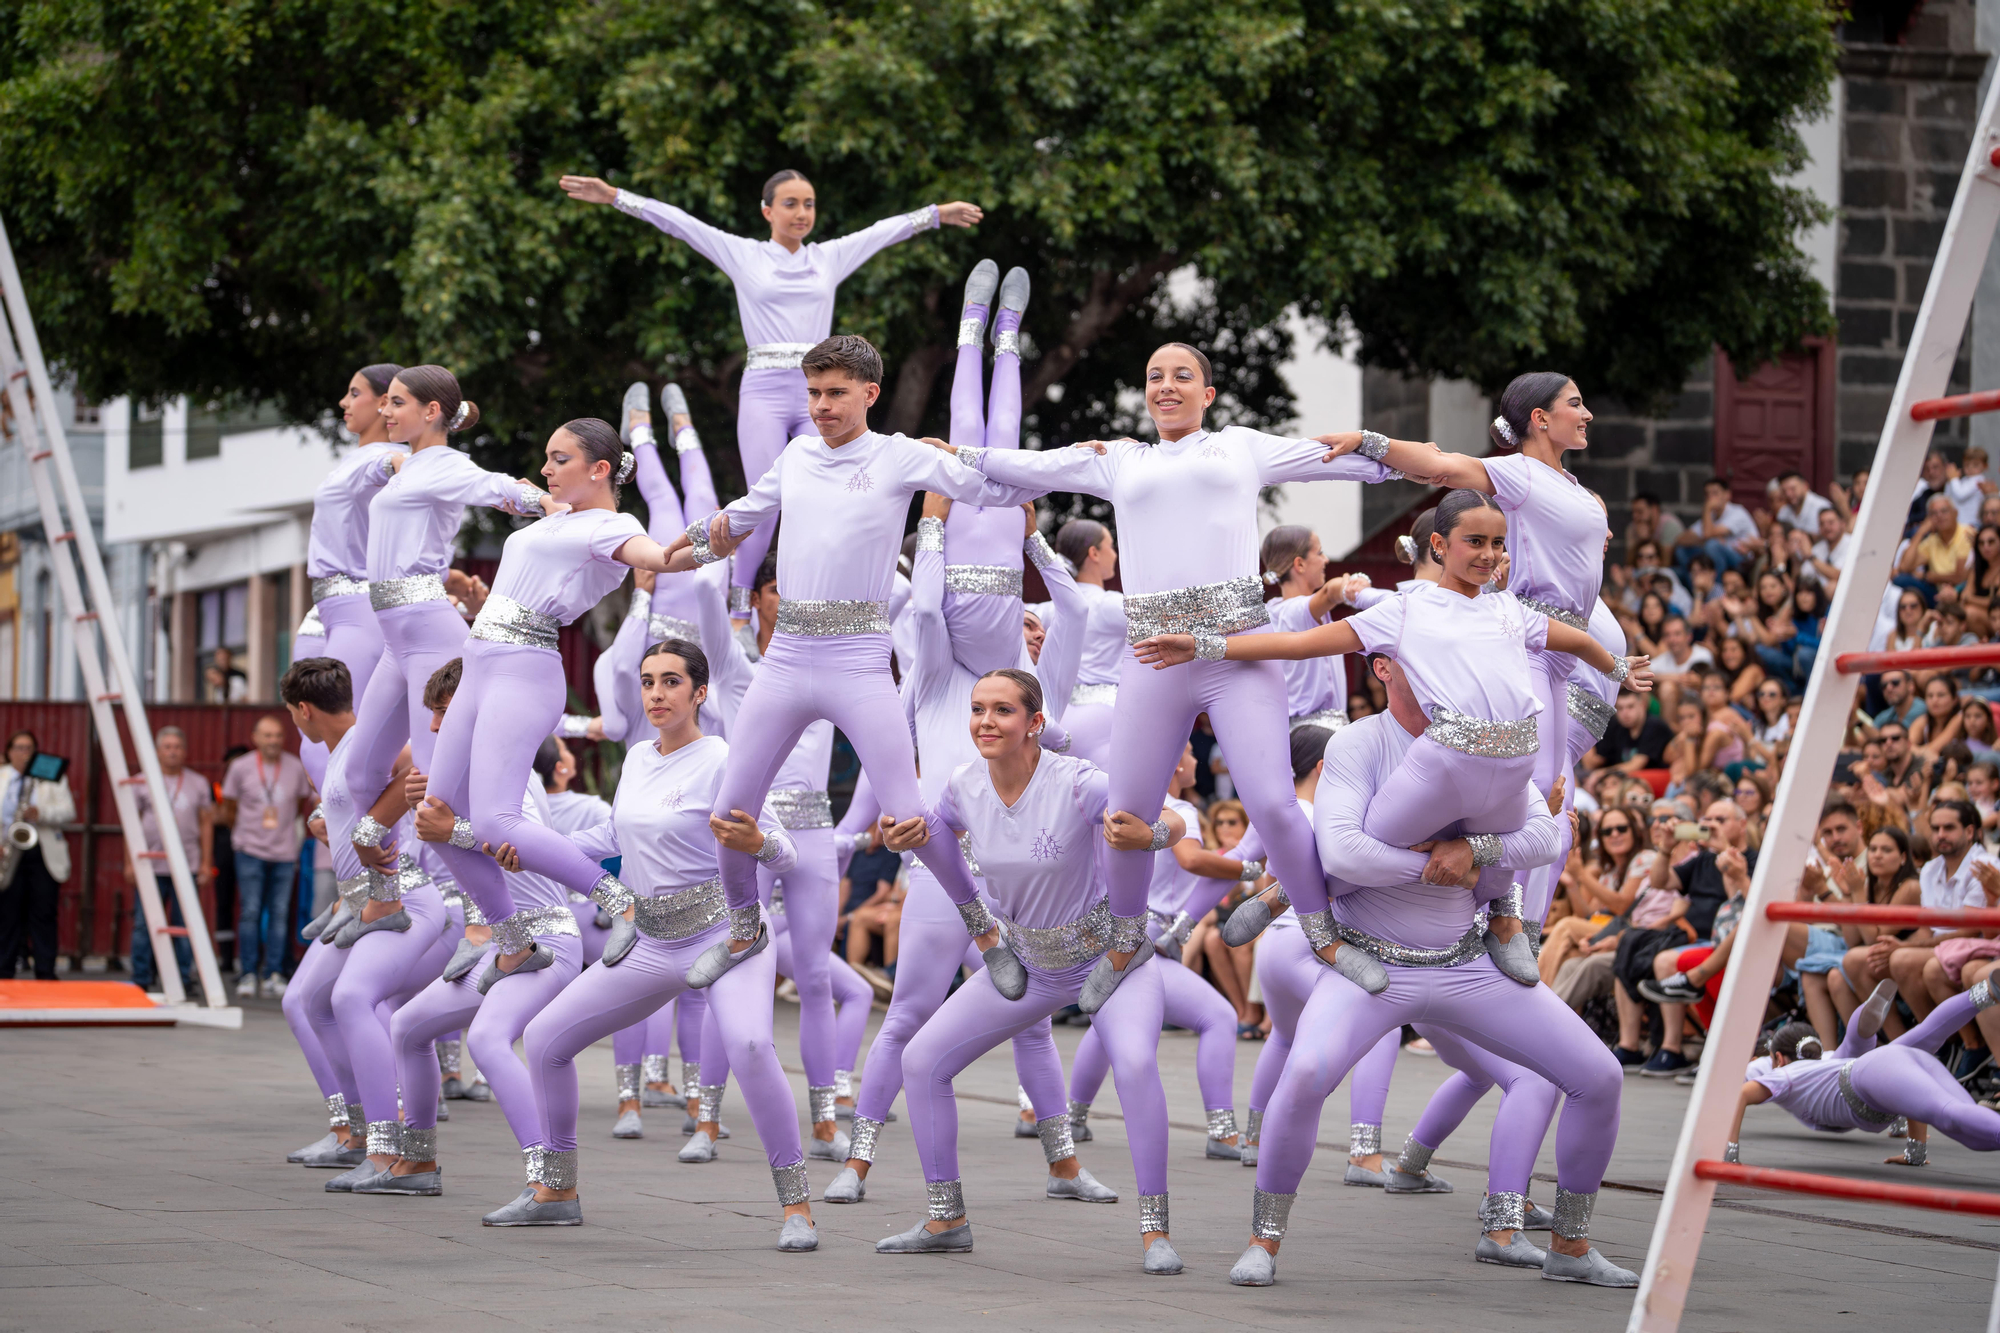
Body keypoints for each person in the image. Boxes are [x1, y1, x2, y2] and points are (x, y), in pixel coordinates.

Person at [936, 340, 1412, 997]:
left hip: (1236, 651)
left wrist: (1397, 455)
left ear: (1207, 394)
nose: (1166, 386)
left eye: (1182, 376)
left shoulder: (1240, 446)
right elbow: (1027, 465)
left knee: (1275, 806)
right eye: (1154, 375)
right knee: (1126, 814)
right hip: (1154, 657)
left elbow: (1337, 458)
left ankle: (1323, 933)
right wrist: (953, 456)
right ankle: (1128, 938)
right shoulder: (1119, 459)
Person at [653, 335, 1053, 1000]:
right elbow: (748, 514)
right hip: (785, 662)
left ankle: (983, 929)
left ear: (869, 393)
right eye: (813, 393)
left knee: (909, 818)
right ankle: (745, 927)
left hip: (859, 662)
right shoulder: (797, 453)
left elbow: (986, 482)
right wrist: (694, 543)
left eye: (835, 392)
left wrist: (1077, 472)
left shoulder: (900, 455)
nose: (820, 406)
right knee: (727, 813)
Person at [1136, 487, 1649, 985]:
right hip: (1444, 765)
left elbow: (1577, 640)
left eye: (1498, 544)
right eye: (1475, 542)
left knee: (1537, 843)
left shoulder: (1509, 610)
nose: (1490, 555)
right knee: (1363, 848)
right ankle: (1291, 892)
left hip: (1512, 766)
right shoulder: (1404, 611)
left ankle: (1503, 920)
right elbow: (1298, 645)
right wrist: (1204, 645)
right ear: (1440, 546)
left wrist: (1618, 666)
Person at [1232, 654, 1632, 1289]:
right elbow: (1341, 850)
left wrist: (1471, 850)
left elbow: (1547, 837)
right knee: (1304, 1071)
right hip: (1369, 964)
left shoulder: (1482, 736)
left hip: (1466, 963)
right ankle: (1264, 1240)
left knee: (1599, 1075)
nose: (1451, 670)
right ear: (1385, 668)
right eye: (1428, 656)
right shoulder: (1360, 742)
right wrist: (1435, 865)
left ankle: (1570, 1245)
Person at [828, 481, 1104, 1206]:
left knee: (1035, 1028)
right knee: (909, 1015)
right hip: (945, 876)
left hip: (1020, 888)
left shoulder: (1034, 685)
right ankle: (856, 1162)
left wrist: (1030, 535)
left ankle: (1065, 1167)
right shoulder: (938, 678)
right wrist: (935, 522)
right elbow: (923, 607)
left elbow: (1074, 605)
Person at [561, 167, 982, 616]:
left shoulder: (829, 257)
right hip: (763, 391)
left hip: (816, 392)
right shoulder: (745, 255)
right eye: (790, 203)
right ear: (767, 211)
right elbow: (679, 222)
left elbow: (883, 232)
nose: (802, 213)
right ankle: (741, 610)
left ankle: (826, 598)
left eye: (809, 204)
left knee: (833, 498)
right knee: (762, 502)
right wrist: (614, 196)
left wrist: (938, 214)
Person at [874, 669, 1186, 1273]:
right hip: (1025, 963)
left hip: (1110, 959)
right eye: (977, 710)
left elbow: (1179, 820)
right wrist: (900, 834)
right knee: (920, 1060)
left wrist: (1153, 834)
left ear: (1035, 723)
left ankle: (1156, 1233)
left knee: (1137, 1063)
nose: (986, 722)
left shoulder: (1075, 782)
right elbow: (934, 836)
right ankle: (946, 1219)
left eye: (1002, 711)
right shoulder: (963, 786)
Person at [371, 660, 586, 1202]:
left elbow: (527, 847)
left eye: (446, 712)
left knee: (489, 1041)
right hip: (503, 947)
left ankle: (552, 1186)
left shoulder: (506, 769)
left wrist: (454, 829)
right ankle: (416, 1162)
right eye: (435, 715)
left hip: (547, 942)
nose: (438, 727)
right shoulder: (464, 772)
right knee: (405, 1026)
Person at [1729, 984, 2000, 1167]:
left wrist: (1728, 1154)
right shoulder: (1822, 1061)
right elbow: (1910, 1102)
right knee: (1967, 1127)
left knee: (1952, 1114)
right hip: (1895, 1063)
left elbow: (1740, 1092)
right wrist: (1914, 1151)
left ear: (1778, 1058)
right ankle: (1983, 991)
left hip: (1872, 1076)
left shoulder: (1785, 1075)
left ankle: (1864, 1028)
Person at [299, 362, 404, 783]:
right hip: (330, 610)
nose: (344, 402)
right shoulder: (358, 459)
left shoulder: (381, 459)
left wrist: (415, 461)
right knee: (316, 733)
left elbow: (399, 464)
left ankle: (367, 830)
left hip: (358, 609)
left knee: (332, 736)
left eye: (354, 393)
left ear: (384, 404)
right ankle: (356, 828)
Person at [1616, 799, 1756, 1076]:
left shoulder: (1753, 859)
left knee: (1667, 961)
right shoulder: (1703, 860)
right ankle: (1670, 1049)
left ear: (1742, 825)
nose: (1711, 825)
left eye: (1720, 820)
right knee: (1629, 946)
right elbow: (1660, 882)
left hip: (1727, 942)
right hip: (1692, 939)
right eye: (1708, 820)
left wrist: (1725, 854)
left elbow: (1743, 907)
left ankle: (1676, 1047)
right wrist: (1665, 850)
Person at [220, 716, 315, 997]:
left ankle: (273, 972)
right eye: (267, 735)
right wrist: (244, 836)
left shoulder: (296, 767)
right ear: (255, 738)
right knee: (249, 912)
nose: (273, 740)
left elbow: (300, 805)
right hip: (249, 850)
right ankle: (248, 973)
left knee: (279, 914)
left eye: (277, 735)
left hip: (284, 851)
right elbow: (228, 808)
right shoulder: (240, 766)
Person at [129, 726, 215, 994]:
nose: (172, 751)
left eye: (177, 746)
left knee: (185, 924)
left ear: (185, 751)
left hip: (186, 864)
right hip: (149, 864)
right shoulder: (141, 781)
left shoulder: (198, 782)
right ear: (157, 751)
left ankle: (182, 979)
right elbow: (130, 825)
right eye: (167, 746)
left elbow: (206, 824)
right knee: (145, 923)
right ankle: (140, 978)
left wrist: (205, 863)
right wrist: (130, 862)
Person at [1259, 524, 1368, 730]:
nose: (1325, 559)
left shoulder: (1272, 611)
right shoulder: (1295, 609)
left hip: (1299, 730)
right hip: (1315, 732)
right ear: (1299, 564)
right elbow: (1328, 593)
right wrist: (1347, 586)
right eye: (1319, 552)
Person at [1053, 516, 1127, 766]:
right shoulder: (1108, 604)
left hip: (1059, 716)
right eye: (1111, 546)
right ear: (1094, 552)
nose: (1115, 554)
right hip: (1107, 714)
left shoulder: (1048, 610)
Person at [0, 729, 72, 981]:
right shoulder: (2, 777)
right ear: (8, 752)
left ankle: (45, 971)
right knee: (7, 912)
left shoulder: (50, 777)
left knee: (43, 912)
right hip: (8, 850)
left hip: (41, 850)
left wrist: (40, 813)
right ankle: (4, 970)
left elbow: (68, 811)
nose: (23, 753)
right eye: (18, 748)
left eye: (28, 748)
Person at [1673, 477, 1762, 575]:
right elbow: (1680, 539)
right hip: (1718, 557)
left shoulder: (1738, 512)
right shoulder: (1710, 517)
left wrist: (1707, 508)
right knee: (1682, 551)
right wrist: (1704, 539)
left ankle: (1716, 587)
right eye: (1707, 494)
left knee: (1712, 545)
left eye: (1715, 493)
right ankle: (1697, 585)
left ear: (1727, 495)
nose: (1710, 498)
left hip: (1742, 559)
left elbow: (1708, 534)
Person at [1898, 492, 1973, 602]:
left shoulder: (1966, 533)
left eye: (1944, 511)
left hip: (1961, 590)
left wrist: (1929, 577)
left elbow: (1960, 576)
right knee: (1901, 580)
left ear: (1955, 513)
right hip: (1937, 592)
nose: (1939, 516)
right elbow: (1905, 567)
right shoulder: (1932, 541)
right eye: (1933, 513)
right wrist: (1921, 531)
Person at [1587, 689, 1674, 775]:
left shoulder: (1654, 726)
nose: (1625, 713)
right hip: (1622, 777)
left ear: (1643, 705)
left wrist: (1602, 774)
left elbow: (1636, 765)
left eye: (1630, 706)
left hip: (1654, 776)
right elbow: (1595, 761)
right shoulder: (1615, 725)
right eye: (1620, 708)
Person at [1773, 471, 1832, 535]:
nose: (1788, 494)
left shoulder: (1822, 506)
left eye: (1792, 489)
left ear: (1805, 486)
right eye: (1784, 491)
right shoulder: (1783, 512)